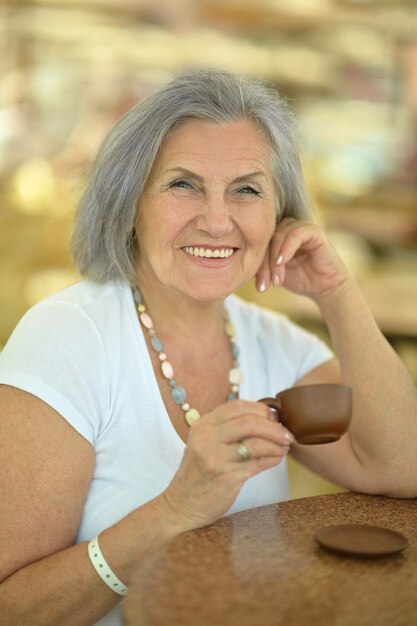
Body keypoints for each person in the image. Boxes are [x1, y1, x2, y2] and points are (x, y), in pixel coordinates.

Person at [0, 69, 416, 626]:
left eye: (246, 189)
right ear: (129, 206)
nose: (217, 221)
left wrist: (338, 295)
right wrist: (174, 510)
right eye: (182, 184)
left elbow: (402, 466)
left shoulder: (276, 344)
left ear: (279, 217)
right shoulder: (68, 340)